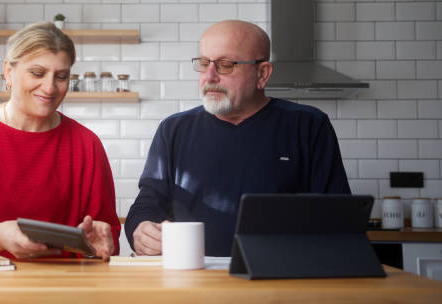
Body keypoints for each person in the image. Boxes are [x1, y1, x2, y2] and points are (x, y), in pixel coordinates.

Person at [124, 20, 350, 257]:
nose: (209, 76)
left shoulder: (308, 126)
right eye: (203, 64)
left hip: (279, 280)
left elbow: (336, 217)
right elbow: (146, 205)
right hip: (192, 281)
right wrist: (141, 231)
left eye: (225, 65)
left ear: (262, 74)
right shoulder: (173, 129)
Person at [0, 22, 120, 261]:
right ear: (8, 71)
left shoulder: (86, 145)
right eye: (37, 73)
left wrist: (99, 244)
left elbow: (108, 238)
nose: (49, 87)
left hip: (61, 289)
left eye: (61, 76)